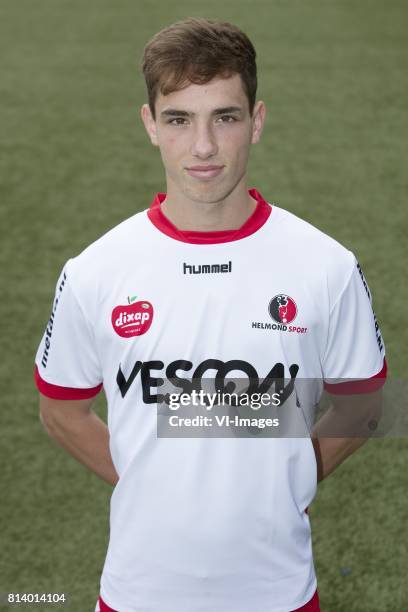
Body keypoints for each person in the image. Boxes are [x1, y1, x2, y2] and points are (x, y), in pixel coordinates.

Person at [34, 18, 387, 612]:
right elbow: (61, 412)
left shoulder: (324, 264)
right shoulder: (96, 271)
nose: (203, 146)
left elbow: (367, 404)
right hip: (137, 593)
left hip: (280, 593)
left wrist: (289, 476)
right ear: (150, 126)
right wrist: (154, 488)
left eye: (224, 117)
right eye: (179, 119)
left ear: (257, 121)